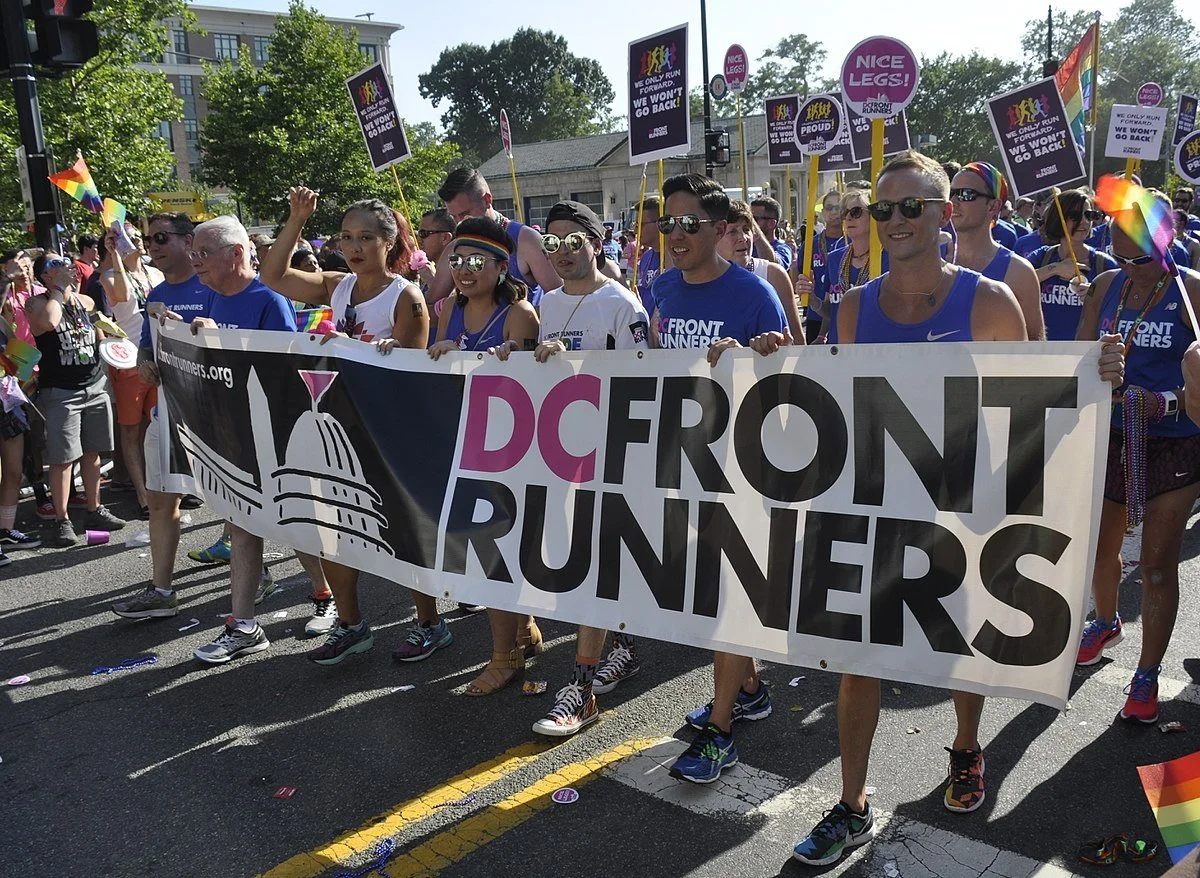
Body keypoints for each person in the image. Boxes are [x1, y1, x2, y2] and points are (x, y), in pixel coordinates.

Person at [766, 151, 1124, 866]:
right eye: (882, 208)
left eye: (911, 207)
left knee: (964, 648)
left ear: (941, 214)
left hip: (965, 508)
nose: (893, 221)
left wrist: (1094, 374)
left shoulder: (989, 301)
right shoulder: (852, 306)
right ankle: (852, 801)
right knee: (856, 658)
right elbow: (835, 400)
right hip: (877, 506)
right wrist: (767, 359)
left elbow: (1031, 405)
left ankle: (965, 746)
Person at [490, 200, 649, 735]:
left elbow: (644, 383)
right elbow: (542, 367)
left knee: (596, 565)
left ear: (596, 244)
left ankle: (579, 690)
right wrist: (519, 349)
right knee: (586, 561)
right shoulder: (547, 302)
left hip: (612, 455)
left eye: (571, 241)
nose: (559, 252)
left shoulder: (622, 305)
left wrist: (579, 363)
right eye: (549, 242)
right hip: (561, 454)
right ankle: (624, 644)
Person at [648, 173, 787, 784]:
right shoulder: (659, 288)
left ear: (720, 228)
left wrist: (765, 352)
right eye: (666, 223)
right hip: (686, 461)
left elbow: (800, 376)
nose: (674, 235)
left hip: (744, 465)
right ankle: (750, 686)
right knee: (710, 591)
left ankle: (722, 728)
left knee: (730, 597)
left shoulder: (756, 294)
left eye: (688, 224)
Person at [260, 186, 438, 665]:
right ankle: (352, 623)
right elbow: (273, 275)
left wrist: (359, 350)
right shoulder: (336, 285)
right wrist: (297, 217)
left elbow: (411, 369)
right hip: (340, 426)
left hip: (391, 432)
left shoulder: (407, 296)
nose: (355, 247)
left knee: (399, 530)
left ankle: (428, 622)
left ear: (388, 241)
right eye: (345, 238)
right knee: (332, 526)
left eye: (365, 238)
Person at [1075, 208, 1200, 724]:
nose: (1130, 268)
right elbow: (1076, 357)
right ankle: (1105, 620)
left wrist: (1165, 401)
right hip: (1113, 434)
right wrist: (1096, 366)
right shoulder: (1107, 284)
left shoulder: (1192, 292)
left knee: (1154, 565)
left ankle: (1147, 672)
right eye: (1120, 256)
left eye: (1140, 258)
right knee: (1099, 552)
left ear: (1166, 244)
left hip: (1176, 441)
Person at [429, 217, 541, 694]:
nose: (463, 270)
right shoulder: (447, 309)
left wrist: (513, 358)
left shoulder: (520, 315)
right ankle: (524, 630)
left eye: (476, 261)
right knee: (483, 548)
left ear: (502, 266)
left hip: (512, 453)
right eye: (456, 260)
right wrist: (435, 350)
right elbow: (430, 364)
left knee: (498, 551)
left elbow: (541, 390)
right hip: (465, 445)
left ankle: (505, 657)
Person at [184, 216, 297, 665]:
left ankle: (328, 597)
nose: (196, 263)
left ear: (235, 253)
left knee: (298, 529)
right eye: (192, 254)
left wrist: (222, 342)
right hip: (231, 434)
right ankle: (243, 624)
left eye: (203, 254)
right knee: (243, 525)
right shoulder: (211, 296)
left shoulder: (269, 299)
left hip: (272, 435)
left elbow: (285, 367)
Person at [110, 213, 216, 620]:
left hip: (213, 416)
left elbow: (226, 346)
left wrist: (195, 327)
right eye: (148, 239)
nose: (151, 245)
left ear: (188, 242)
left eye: (160, 237)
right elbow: (146, 351)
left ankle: (259, 577)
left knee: (236, 506)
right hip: (167, 412)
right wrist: (144, 361)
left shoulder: (212, 287)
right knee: (159, 501)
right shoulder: (155, 291)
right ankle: (162, 590)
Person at [27, 254, 125, 547]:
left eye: (66, 262)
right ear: (44, 276)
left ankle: (95, 510)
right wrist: (59, 289)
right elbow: (49, 322)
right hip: (61, 393)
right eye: (56, 265)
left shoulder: (86, 303)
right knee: (62, 459)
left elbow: (100, 333)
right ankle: (62, 520)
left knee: (93, 453)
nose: (65, 266)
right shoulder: (38, 304)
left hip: (94, 386)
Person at [99, 224, 164, 518]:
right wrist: (115, 255)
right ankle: (142, 493)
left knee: (157, 426)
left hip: (158, 359)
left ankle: (160, 486)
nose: (134, 241)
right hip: (128, 362)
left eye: (138, 237)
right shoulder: (110, 275)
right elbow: (124, 295)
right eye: (126, 238)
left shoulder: (156, 273)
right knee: (131, 429)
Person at [429, 168, 560, 308]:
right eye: (453, 217)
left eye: (465, 213)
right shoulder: (454, 248)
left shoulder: (526, 239)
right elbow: (429, 308)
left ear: (487, 200)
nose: (460, 222)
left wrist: (522, 318)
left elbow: (560, 299)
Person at [949, 162, 1045, 339]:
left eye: (966, 194)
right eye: (951, 193)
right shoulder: (932, 260)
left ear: (993, 206)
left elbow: (1035, 351)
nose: (954, 202)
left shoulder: (1019, 272)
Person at [1028, 189, 1117, 340]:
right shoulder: (1042, 257)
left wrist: (1095, 296)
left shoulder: (1104, 264)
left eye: (1089, 215)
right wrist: (1054, 269)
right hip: (1043, 354)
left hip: (1084, 355)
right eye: (1074, 216)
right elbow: (1017, 285)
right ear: (1058, 218)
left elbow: (1119, 306)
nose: (1084, 221)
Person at [718, 200, 805, 341]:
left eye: (747, 229)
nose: (743, 238)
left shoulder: (773, 275)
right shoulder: (699, 278)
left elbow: (798, 340)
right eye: (732, 231)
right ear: (715, 237)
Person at [0, 276, 40, 559]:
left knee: (13, 470)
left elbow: (17, 358)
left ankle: (6, 529)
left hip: (8, 403)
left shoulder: (2, 321)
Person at [815, 188, 887, 345]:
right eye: (844, 213)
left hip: (877, 347)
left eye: (855, 212)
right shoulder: (835, 258)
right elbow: (831, 311)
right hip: (840, 348)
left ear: (873, 215)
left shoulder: (890, 257)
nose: (848, 218)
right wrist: (812, 300)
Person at [750, 196, 792, 271]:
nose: (749, 222)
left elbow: (775, 266)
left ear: (771, 223)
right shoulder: (744, 246)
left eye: (754, 219)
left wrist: (757, 235)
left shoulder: (783, 249)